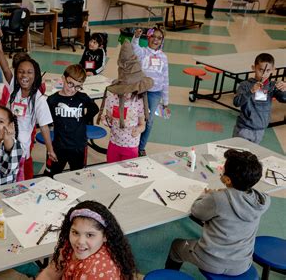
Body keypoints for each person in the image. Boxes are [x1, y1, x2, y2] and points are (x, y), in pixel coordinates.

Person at [165, 149, 270, 275]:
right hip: (243, 263)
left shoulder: (217, 198)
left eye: (223, 168)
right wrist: (221, 194)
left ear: (227, 180)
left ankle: (169, 275)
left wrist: (207, 195)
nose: (221, 170)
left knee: (176, 246)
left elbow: (196, 211)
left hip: (212, 261)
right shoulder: (262, 199)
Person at [0, 40, 56, 179]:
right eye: (20, 72)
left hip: (23, 144)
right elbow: (5, 70)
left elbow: (45, 128)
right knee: (6, 170)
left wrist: (50, 150)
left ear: (36, 75)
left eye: (29, 72)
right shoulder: (14, 89)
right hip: (7, 139)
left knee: (22, 175)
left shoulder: (39, 100)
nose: (24, 76)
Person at [36, 200, 137, 280]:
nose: (80, 241)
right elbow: (50, 274)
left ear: (105, 236)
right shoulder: (71, 246)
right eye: (75, 232)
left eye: (89, 235)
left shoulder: (96, 272)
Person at [98, 41, 153, 162]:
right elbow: (109, 118)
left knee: (128, 172)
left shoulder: (139, 101)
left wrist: (138, 130)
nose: (127, 94)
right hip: (114, 142)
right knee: (111, 168)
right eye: (124, 90)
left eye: (131, 90)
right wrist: (105, 121)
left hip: (131, 145)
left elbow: (143, 124)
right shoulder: (112, 98)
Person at [45, 64, 99, 176]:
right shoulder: (52, 100)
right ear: (63, 78)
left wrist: (84, 119)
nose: (73, 89)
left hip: (78, 147)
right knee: (52, 176)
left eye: (78, 86)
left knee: (77, 176)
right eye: (70, 84)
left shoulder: (82, 97)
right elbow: (45, 121)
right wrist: (50, 149)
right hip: (59, 147)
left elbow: (94, 109)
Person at [233, 53, 286, 144]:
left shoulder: (272, 86)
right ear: (254, 68)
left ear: (273, 70)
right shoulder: (245, 85)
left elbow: (284, 99)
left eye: (268, 70)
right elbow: (237, 102)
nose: (264, 74)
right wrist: (251, 91)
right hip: (244, 129)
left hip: (260, 130)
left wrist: (284, 89)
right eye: (260, 70)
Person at [132, 27, 169, 157]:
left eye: (159, 38)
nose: (156, 40)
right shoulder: (143, 52)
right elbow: (134, 48)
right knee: (136, 117)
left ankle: (141, 147)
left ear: (162, 41)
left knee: (149, 120)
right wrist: (136, 37)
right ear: (148, 38)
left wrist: (166, 100)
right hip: (141, 91)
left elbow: (165, 79)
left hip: (155, 93)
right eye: (154, 36)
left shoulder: (163, 57)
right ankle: (133, 143)